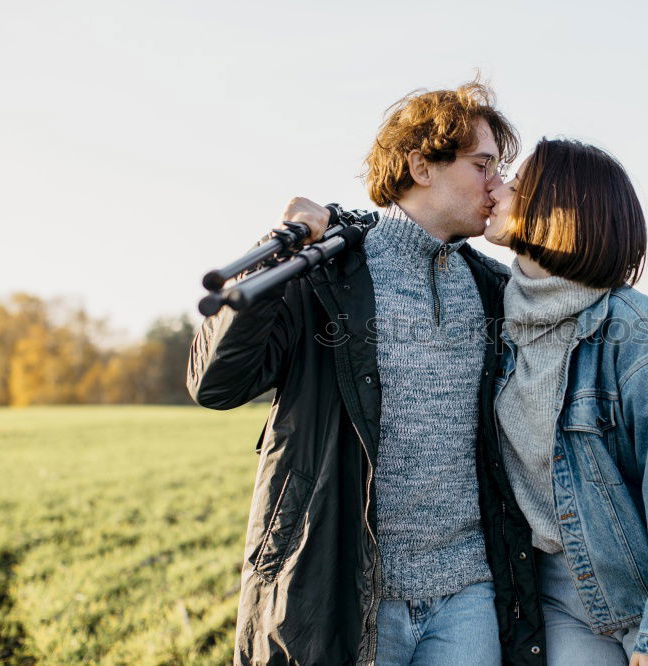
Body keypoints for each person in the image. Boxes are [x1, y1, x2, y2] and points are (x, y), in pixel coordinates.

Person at [187, 80, 545, 665]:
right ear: (420, 165)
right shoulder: (328, 269)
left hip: (468, 594)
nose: (497, 185)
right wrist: (281, 252)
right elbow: (216, 383)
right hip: (345, 588)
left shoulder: (493, 289)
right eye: (483, 165)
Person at [481, 138, 648, 665]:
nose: (496, 186)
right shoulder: (504, 318)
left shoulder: (638, 335)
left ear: (555, 208)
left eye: (515, 183)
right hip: (566, 599)